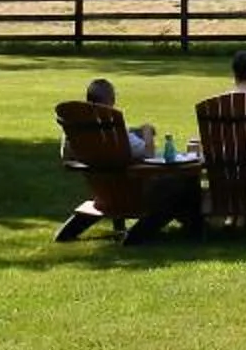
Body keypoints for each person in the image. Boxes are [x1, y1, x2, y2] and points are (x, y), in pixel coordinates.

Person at [54, 76, 205, 243]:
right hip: (135, 191)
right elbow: (147, 153)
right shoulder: (114, 127)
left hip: (104, 193)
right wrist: (147, 132)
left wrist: (134, 132)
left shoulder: (78, 131)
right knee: (187, 178)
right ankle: (193, 228)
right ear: (112, 100)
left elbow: (66, 155)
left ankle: (194, 226)